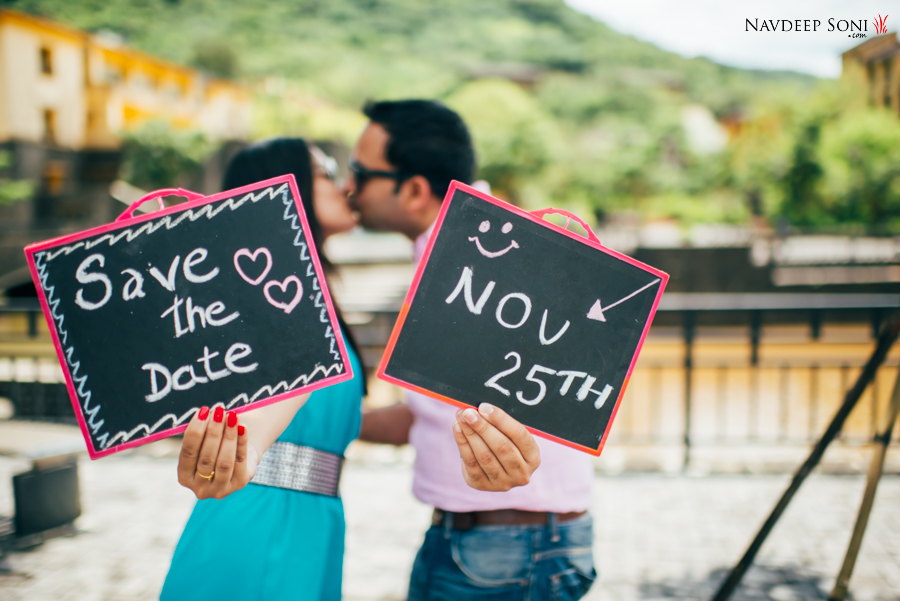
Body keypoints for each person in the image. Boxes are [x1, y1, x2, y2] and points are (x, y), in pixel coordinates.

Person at [161, 137, 539, 601]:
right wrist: (240, 446)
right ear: (281, 188)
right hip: (259, 517)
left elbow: (331, 417)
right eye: (324, 172)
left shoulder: (310, 296)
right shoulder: (260, 300)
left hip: (313, 518)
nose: (345, 186)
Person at [351, 99, 597, 600]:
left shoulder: (486, 256)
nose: (349, 188)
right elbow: (430, 416)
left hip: (505, 542)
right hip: (493, 537)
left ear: (415, 190)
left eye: (360, 172)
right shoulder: (464, 249)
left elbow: (550, 404)